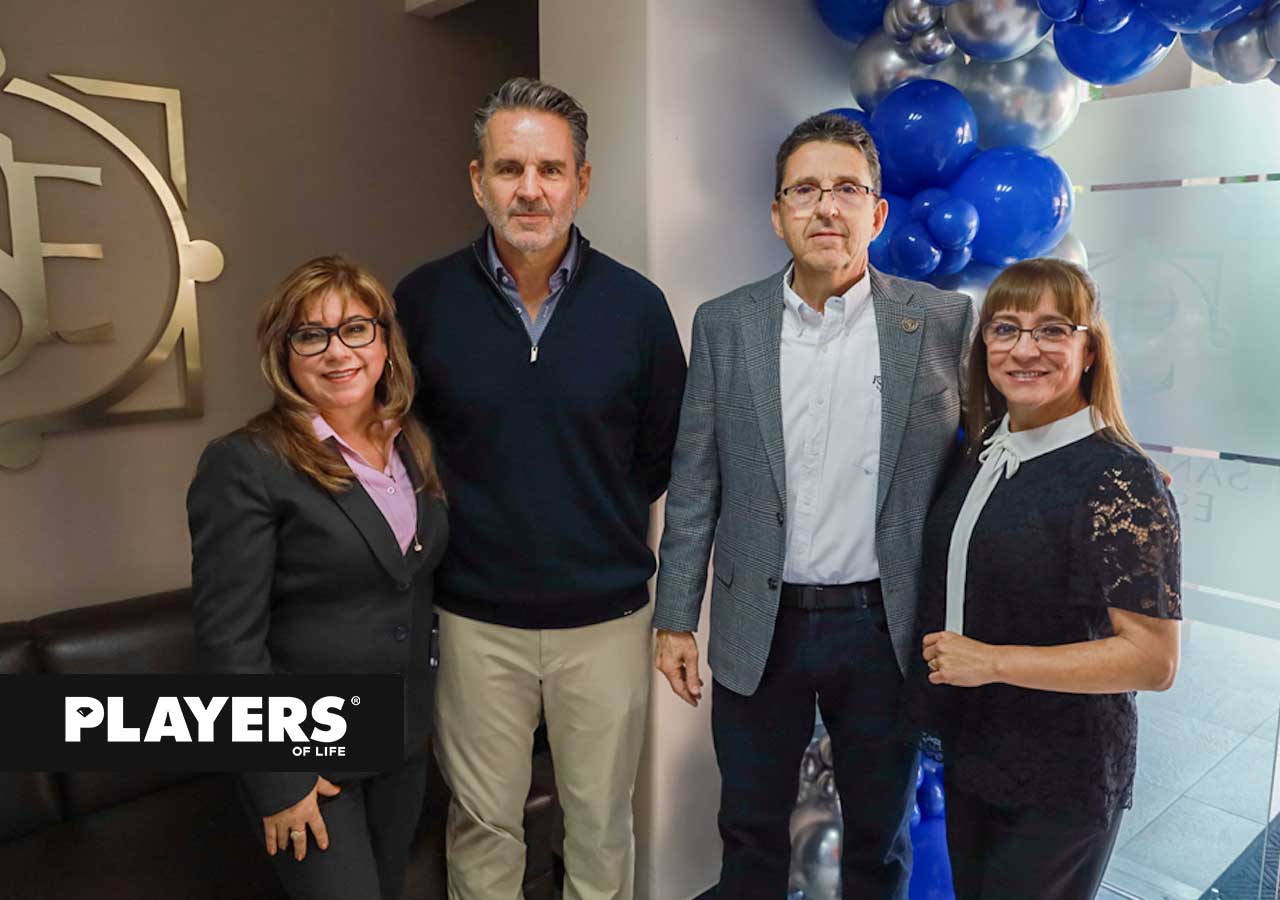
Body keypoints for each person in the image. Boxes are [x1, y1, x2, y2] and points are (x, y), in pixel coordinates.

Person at [653, 112, 974, 899]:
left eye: (846, 189)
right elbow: (695, 484)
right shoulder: (725, 325)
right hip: (761, 622)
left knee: (879, 837)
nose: (825, 207)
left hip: (883, 627)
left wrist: (1099, 451)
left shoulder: (939, 323)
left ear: (878, 213)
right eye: (804, 189)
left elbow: (999, 443)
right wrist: (673, 619)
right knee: (750, 833)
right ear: (776, 213)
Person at [393, 77, 686, 900]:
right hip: (474, 620)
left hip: (605, 622)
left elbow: (662, 454)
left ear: (582, 183)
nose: (531, 190)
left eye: (551, 170)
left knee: (598, 827)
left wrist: (588, 518)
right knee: (483, 829)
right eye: (510, 168)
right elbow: (397, 446)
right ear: (477, 179)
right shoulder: (421, 302)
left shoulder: (637, 308)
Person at [908, 257, 1181, 900]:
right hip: (976, 751)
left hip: (1062, 774)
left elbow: (1152, 661)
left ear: (1088, 350)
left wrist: (994, 661)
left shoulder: (1120, 479)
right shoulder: (981, 450)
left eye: (1053, 330)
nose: (1025, 349)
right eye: (1006, 329)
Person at [187, 256, 447, 900]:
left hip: (400, 737)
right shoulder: (245, 463)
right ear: (285, 352)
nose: (338, 352)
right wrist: (277, 777)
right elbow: (228, 643)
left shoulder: (412, 443)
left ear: (385, 341)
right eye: (312, 335)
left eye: (356, 329)